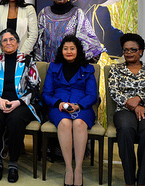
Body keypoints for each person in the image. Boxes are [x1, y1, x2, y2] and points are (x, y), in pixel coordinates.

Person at [0, 28, 41, 183]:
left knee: (15, 120)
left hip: (21, 102)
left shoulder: (28, 60)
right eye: (4, 40)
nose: (8, 43)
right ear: (1, 45)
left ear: (17, 42)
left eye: (12, 40)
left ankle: (13, 163)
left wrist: (19, 101)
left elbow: (35, 87)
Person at [108, 33, 145, 186]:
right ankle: (129, 180)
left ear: (141, 51)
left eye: (133, 49)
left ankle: (142, 180)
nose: (129, 53)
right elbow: (114, 92)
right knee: (125, 129)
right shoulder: (115, 69)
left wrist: (139, 99)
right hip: (124, 111)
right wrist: (134, 106)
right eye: (126, 50)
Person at [42, 35, 97, 186]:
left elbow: (92, 95)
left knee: (79, 123)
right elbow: (46, 94)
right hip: (58, 107)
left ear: (78, 50)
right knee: (65, 123)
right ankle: (68, 169)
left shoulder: (88, 68)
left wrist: (78, 105)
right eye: (65, 48)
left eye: (72, 48)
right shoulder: (53, 67)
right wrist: (58, 102)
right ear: (61, 51)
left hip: (82, 107)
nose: (69, 51)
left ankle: (78, 169)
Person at [34, 0, 104, 63]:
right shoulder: (44, 13)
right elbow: (37, 41)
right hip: (48, 64)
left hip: (70, 65)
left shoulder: (77, 13)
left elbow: (90, 42)